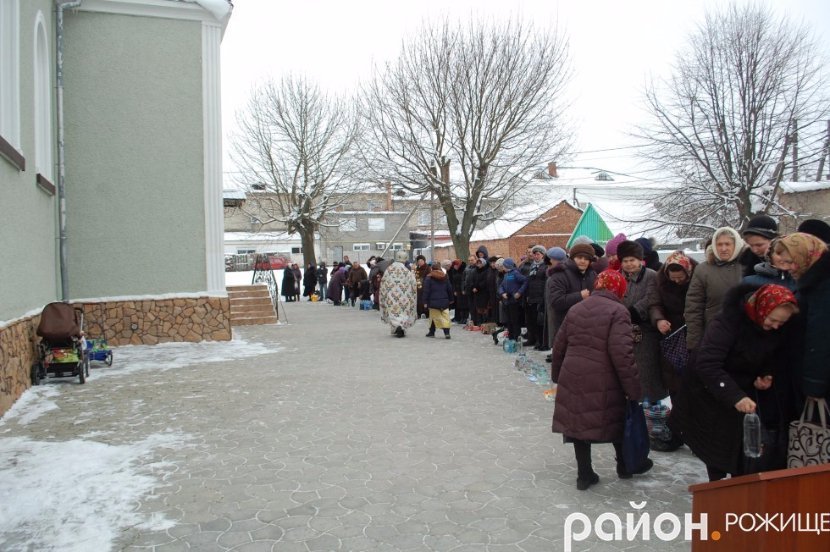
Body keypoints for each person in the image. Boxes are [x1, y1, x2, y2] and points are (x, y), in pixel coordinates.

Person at [672, 284, 799, 481]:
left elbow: (768, 354)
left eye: (781, 323)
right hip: (707, 391)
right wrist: (735, 396)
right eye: (773, 320)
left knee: (737, 449)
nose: (776, 326)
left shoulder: (774, 329)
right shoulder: (727, 322)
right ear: (761, 309)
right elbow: (707, 364)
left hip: (739, 390)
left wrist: (765, 374)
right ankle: (716, 490)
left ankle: (736, 489)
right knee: (715, 448)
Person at [551, 269, 652, 491]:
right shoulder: (618, 311)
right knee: (617, 419)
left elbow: (559, 345)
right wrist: (633, 389)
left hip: (573, 374)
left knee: (577, 424)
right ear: (619, 289)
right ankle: (624, 466)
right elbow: (622, 353)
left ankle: (584, 475)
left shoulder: (576, 308)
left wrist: (558, 376)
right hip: (605, 376)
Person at [771, 233, 830, 404]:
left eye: (791, 261)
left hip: (819, 378)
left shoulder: (822, 286)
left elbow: (820, 337)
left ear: (805, 255)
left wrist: (814, 384)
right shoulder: (811, 279)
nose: (788, 268)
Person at [617, 240, 666, 403]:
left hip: (645, 331)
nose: (629, 264)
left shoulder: (651, 275)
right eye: (625, 261)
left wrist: (632, 312)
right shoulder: (617, 277)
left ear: (640, 260)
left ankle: (651, 406)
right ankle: (631, 405)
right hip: (622, 330)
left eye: (632, 260)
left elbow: (652, 298)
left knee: (647, 373)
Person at [685, 227, 746, 350]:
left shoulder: (748, 266)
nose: (723, 248)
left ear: (736, 245)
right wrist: (695, 343)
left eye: (727, 244)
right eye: (719, 244)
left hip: (744, 335)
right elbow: (694, 308)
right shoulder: (703, 270)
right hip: (714, 335)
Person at [548, 243, 598, 342]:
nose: (583, 261)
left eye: (586, 258)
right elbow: (556, 301)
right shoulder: (559, 274)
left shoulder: (592, 274)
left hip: (588, 328)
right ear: (572, 258)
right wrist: (580, 296)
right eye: (579, 257)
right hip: (566, 329)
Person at [379, 250, 418, 337]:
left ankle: (397, 327)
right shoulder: (406, 271)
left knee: (393, 312)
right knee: (403, 313)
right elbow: (413, 284)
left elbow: (383, 283)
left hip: (391, 297)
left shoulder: (389, 270)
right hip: (404, 297)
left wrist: (385, 294)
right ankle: (401, 327)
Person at [522, 245, 550, 349]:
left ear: (543, 255)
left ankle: (540, 341)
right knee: (531, 320)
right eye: (534, 254)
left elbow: (546, 283)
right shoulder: (532, 266)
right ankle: (532, 339)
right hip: (531, 297)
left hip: (540, 297)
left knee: (540, 321)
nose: (536, 256)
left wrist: (543, 297)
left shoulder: (545, 266)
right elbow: (528, 282)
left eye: (538, 254)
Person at [498, 258, 528, 344]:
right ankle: (510, 336)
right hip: (507, 300)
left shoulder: (515, 273)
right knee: (509, 320)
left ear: (507, 266)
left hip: (514, 301)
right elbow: (501, 286)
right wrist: (502, 293)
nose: (503, 267)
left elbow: (526, 281)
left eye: (504, 266)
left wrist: (519, 292)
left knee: (514, 320)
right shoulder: (506, 274)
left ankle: (516, 336)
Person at [422, 261, 454, 339]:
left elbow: (426, 291)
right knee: (445, 316)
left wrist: (425, 301)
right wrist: (451, 299)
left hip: (433, 301)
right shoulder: (445, 276)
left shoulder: (429, 277)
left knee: (435, 317)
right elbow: (449, 288)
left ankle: (434, 332)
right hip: (444, 301)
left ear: (432, 268)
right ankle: (442, 332)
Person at [448, 259, 468, 324]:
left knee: (465, 304)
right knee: (459, 304)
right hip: (457, 290)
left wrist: (463, 289)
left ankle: (465, 318)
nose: (455, 266)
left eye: (456, 265)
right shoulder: (454, 271)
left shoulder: (464, 270)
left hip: (463, 289)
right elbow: (453, 281)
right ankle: (461, 317)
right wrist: (454, 290)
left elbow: (464, 280)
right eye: (454, 265)